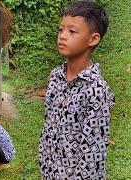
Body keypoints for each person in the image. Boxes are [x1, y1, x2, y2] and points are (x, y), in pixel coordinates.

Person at [38, 1, 115, 179]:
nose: (62, 36)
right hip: (49, 172)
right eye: (61, 30)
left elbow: (94, 154)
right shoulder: (55, 77)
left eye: (72, 31)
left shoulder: (97, 90)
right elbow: (48, 125)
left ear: (93, 39)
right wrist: (43, 159)